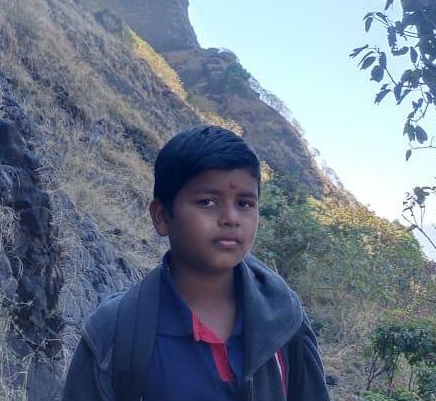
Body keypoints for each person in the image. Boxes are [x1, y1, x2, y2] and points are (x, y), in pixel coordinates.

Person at [62, 125, 331, 400]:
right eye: (207, 202)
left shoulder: (285, 319)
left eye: (244, 203)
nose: (231, 218)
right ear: (162, 216)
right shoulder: (114, 334)